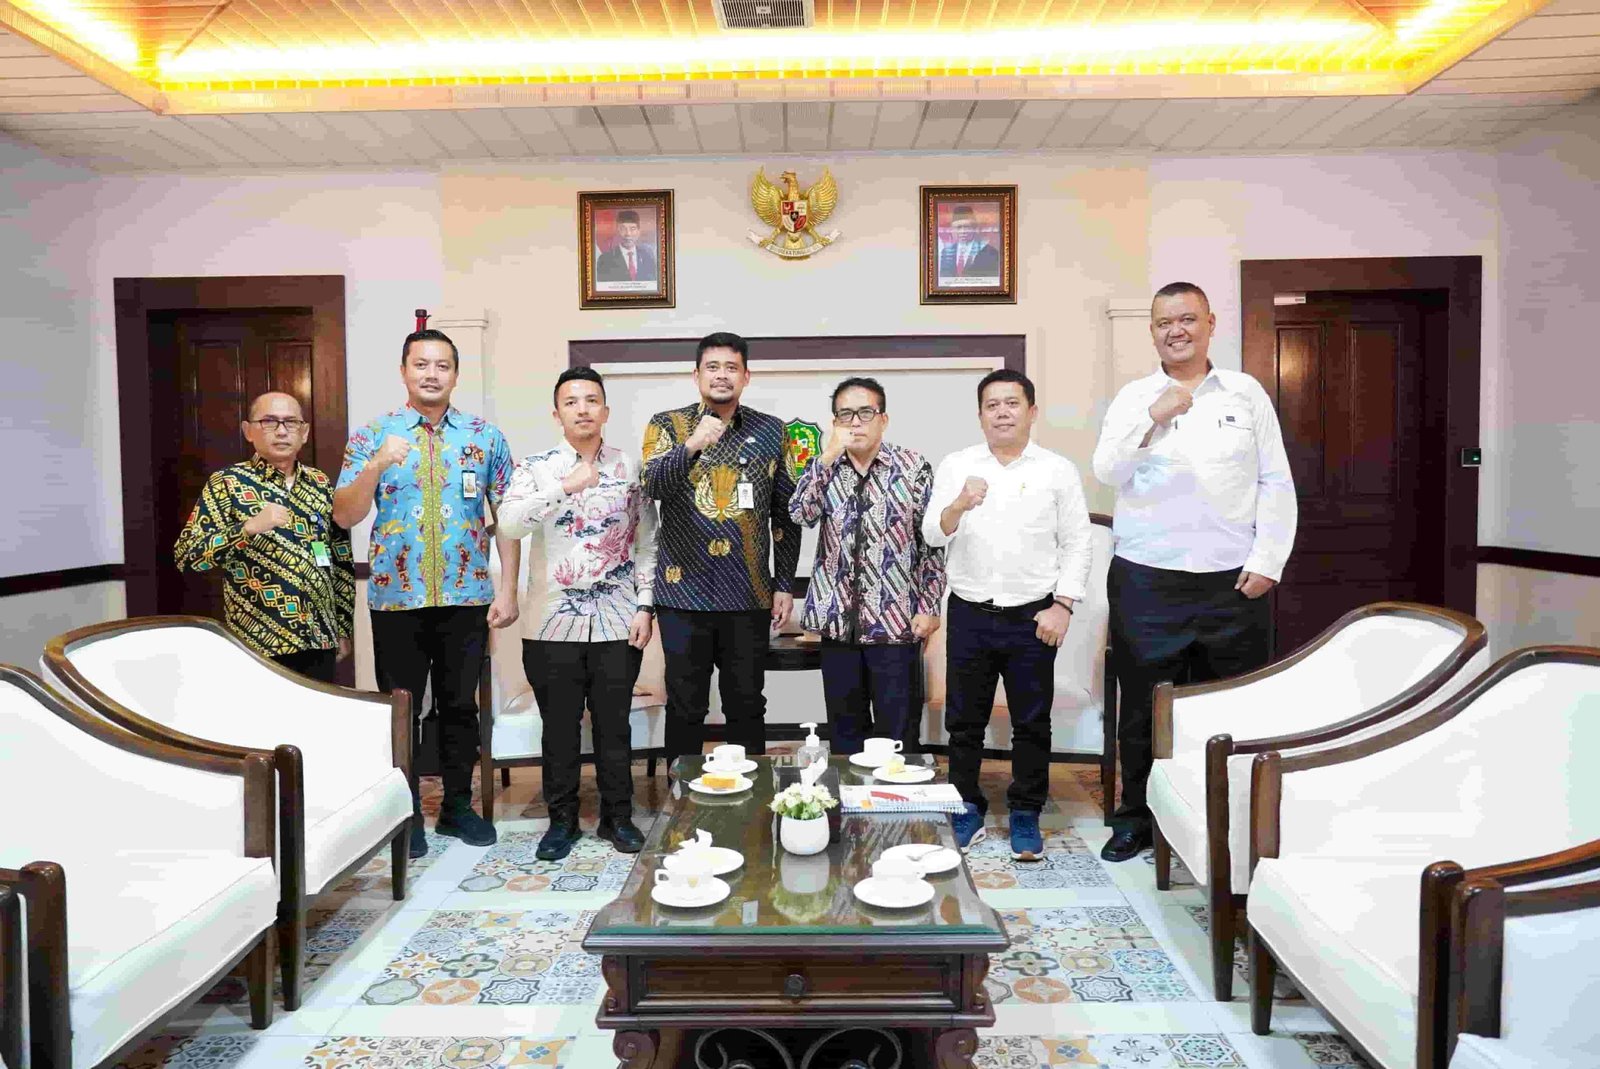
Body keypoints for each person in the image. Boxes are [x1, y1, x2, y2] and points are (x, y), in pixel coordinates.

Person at [1091, 281, 1297, 863]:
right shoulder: (1134, 397)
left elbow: (1275, 480)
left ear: (1209, 324)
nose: (1175, 331)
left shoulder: (1246, 393)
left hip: (1232, 583)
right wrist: (1152, 419)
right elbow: (1107, 470)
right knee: (1143, 708)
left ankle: (1221, 822)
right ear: (1152, 332)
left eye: (1186, 319)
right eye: (1163, 323)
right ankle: (1135, 818)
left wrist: (1268, 559)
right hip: (1146, 578)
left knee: (1226, 707)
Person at [333, 328, 522, 856]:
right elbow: (344, 514)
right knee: (402, 710)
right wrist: (376, 465)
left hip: (466, 597)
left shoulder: (485, 438)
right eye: (421, 364)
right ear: (403, 371)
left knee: (461, 707)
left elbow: (508, 519)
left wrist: (507, 590)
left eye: (442, 365)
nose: (431, 374)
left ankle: (458, 807)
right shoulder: (374, 436)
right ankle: (407, 813)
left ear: (455, 375)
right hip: (397, 599)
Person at [923, 369, 1092, 860]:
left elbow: (1078, 542)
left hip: (1034, 616)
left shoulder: (1057, 470)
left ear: (1031, 412)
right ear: (980, 415)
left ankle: (1025, 812)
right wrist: (959, 504)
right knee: (964, 721)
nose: (1002, 412)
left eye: (1012, 403)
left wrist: (1063, 605)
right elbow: (932, 533)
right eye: (992, 405)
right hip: (970, 612)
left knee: (1032, 722)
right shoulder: (957, 465)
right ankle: (966, 807)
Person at [499, 367, 658, 861]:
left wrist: (645, 604)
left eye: (592, 400)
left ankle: (618, 817)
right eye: (571, 402)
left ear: (605, 411)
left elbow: (647, 542)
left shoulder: (631, 468)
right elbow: (509, 523)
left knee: (614, 727)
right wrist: (565, 487)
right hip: (550, 624)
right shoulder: (536, 468)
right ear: (557, 414)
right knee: (560, 729)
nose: (582, 409)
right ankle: (562, 821)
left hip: (618, 620)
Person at [641, 331, 801, 772]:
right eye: (712, 367)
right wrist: (692, 445)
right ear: (696, 375)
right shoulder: (667, 425)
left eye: (731, 368)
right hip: (681, 595)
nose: (722, 376)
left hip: (747, 594)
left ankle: (752, 798)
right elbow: (652, 486)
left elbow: (785, 515)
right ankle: (681, 796)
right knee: (686, 704)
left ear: (746, 377)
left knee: (746, 704)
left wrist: (784, 584)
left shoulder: (772, 431)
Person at [790, 377, 944, 758]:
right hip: (838, 627)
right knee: (846, 738)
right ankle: (850, 798)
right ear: (835, 422)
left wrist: (928, 606)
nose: (855, 422)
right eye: (845, 414)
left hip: (895, 626)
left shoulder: (913, 468)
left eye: (865, 413)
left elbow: (932, 543)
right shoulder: (824, 468)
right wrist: (825, 458)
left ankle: (898, 798)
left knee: (898, 739)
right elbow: (800, 513)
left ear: (883, 419)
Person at [174, 391, 353, 683]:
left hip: (319, 640)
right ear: (248, 431)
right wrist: (247, 528)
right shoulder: (227, 483)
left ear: (304, 432)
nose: (281, 431)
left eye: (291, 422)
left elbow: (340, 558)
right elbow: (187, 556)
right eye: (269, 421)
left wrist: (342, 628)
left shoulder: (320, 483)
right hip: (257, 644)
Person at [594, 209, 658, 284]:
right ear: (617, 230)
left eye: (632, 229)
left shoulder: (648, 257)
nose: (628, 234)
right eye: (623, 229)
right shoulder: (605, 259)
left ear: (638, 231)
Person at [938, 205, 1000, 280]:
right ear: (953, 229)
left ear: (974, 228)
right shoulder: (946, 252)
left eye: (967, 227)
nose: (963, 231)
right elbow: (943, 278)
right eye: (958, 227)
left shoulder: (990, 252)